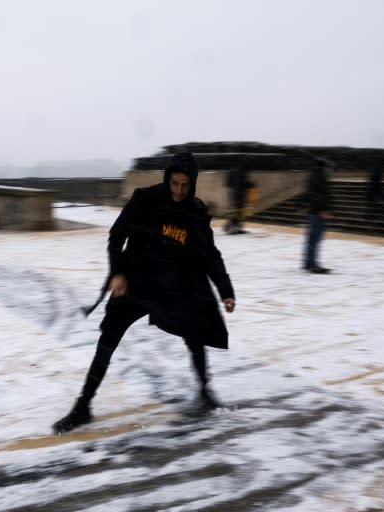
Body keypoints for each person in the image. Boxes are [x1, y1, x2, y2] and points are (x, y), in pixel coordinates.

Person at [52, 151, 236, 434]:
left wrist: (225, 289)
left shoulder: (195, 212)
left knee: (195, 334)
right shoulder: (145, 199)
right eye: (175, 183)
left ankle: (204, 390)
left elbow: (209, 254)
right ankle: (83, 405)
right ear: (167, 179)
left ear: (193, 184)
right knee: (108, 340)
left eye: (185, 185)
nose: (179, 191)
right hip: (136, 281)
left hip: (174, 287)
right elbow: (117, 235)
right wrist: (117, 273)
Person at [302, 156, 333, 274]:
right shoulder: (319, 177)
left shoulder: (311, 176)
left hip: (312, 211)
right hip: (317, 212)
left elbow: (309, 194)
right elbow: (321, 196)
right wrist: (324, 209)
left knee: (311, 239)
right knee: (315, 239)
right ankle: (314, 265)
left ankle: (308, 262)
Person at [224, 164, 255, 234]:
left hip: (235, 194)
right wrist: (250, 184)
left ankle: (234, 228)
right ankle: (231, 228)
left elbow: (228, 183)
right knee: (238, 212)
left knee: (238, 212)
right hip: (238, 194)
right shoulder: (240, 171)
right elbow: (240, 184)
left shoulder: (232, 170)